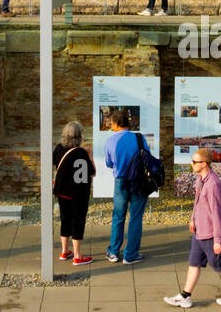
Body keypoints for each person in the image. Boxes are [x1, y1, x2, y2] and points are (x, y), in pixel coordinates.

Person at [165, 148, 221, 309]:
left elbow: (217, 214)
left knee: (220, 265)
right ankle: (185, 296)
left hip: (210, 234)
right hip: (199, 231)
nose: (191, 164)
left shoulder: (213, 184)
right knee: (193, 263)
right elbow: (197, 201)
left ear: (204, 164)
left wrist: (218, 240)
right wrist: (192, 218)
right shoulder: (200, 179)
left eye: (194, 162)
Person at [103, 110, 149, 264]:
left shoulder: (110, 141)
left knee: (118, 217)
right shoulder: (139, 137)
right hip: (139, 182)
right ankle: (130, 255)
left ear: (115, 124)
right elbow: (147, 157)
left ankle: (114, 252)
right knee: (136, 218)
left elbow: (109, 164)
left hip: (120, 182)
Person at [51, 121, 95, 266]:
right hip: (78, 194)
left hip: (62, 192)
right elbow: (92, 173)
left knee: (65, 219)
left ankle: (64, 251)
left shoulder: (58, 148)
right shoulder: (81, 152)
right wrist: (89, 155)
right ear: (79, 136)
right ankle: (77, 255)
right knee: (78, 221)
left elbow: (57, 165)